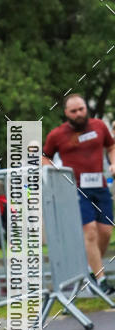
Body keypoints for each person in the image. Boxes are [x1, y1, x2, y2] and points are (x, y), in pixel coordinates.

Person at [43, 94, 115, 294]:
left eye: (81, 109)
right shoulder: (56, 135)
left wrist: (113, 162)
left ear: (86, 108)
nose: (79, 114)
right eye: (74, 111)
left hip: (99, 185)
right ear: (66, 113)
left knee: (105, 232)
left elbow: (111, 146)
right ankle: (101, 282)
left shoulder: (99, 126)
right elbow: (44, 157)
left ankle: (91, 271)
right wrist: (56, 174)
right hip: (75, 189)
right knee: (89, 231)